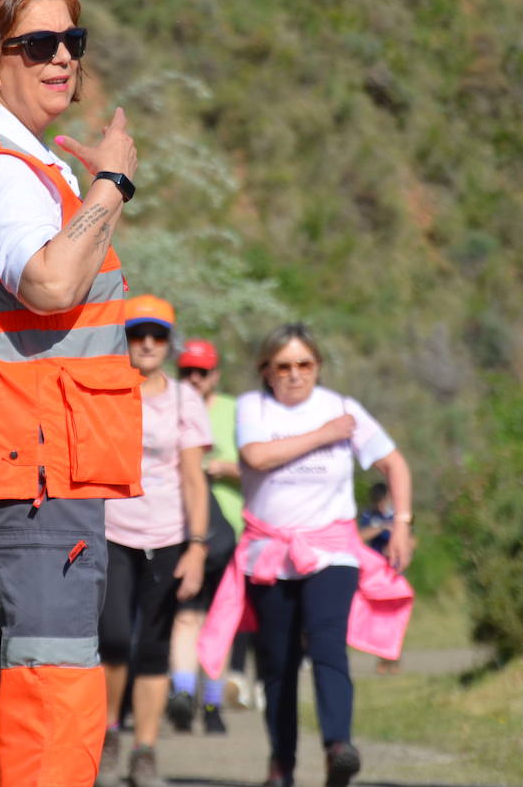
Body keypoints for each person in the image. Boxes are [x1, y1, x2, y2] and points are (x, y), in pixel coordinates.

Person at [0, 0, 143, 787]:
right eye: (37, 44)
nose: (62, 59)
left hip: (4, 465)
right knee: (53, 693)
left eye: (72, 43)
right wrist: (111, 185)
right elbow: (50, 281)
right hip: (36, 471)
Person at [196, 323, 415, 787]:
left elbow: (394, 463)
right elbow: (255, 457)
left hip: (331, 552)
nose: (295, 375)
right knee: (277, 665)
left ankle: (338, 746)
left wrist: (402, 523)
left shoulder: (341, 408)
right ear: (267, 371)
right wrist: (325, 435)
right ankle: (283, 763)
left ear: (317, 367)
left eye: (305, 365)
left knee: (327, 643)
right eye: (284, 366)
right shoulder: (254, 407)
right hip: (269, 554)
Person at [97, 295, 210, 787]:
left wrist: (198, 546)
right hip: (109, 530)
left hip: (167, 536)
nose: (146, 343)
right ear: (123, 339)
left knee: (154, 647)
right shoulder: (102, 389)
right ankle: (105, 733)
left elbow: (193, 478)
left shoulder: (186, 399)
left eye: (157, 335)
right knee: (114, 639)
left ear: (169, 342)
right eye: (137, 334)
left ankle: (145, 751)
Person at [168, 337, 242, 732]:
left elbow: (259, 464)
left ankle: (212, 703)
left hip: (231, 529)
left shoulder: (234, 411)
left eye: (202, 371)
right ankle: (182, 693)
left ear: (216, 374)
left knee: (219, 619)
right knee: (184, 615)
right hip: (180, 528)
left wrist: (222, 468)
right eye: (187, 372)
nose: (194, 379)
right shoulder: (170, 404)